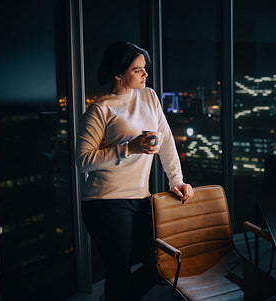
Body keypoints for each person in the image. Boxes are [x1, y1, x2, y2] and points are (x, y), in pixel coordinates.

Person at [76, 41, 194, 301]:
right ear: (118, 74)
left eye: (145, 69)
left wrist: (176, 180)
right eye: (138, 70)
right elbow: (83, 161)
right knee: (119, 271)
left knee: (159, 265)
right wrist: (127, 148)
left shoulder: (149, 96)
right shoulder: (100, 109)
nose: (145, 74)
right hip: (104, 201)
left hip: (141, 197)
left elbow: (166, 142)